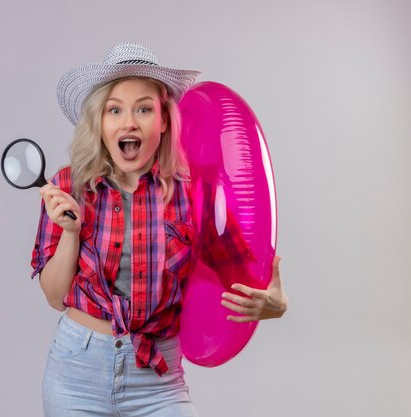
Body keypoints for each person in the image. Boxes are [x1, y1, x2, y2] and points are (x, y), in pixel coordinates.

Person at [31, 42, 288, 417]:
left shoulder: (191, 194)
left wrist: (274, 304)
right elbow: (55, 297)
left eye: (144, 109)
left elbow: (243, 276)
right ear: (100, 122)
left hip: (157, 378)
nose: (129, 122)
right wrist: (70, 232)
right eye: (114, 109)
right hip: (76, 373)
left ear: (165, 120)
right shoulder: (69, 185)